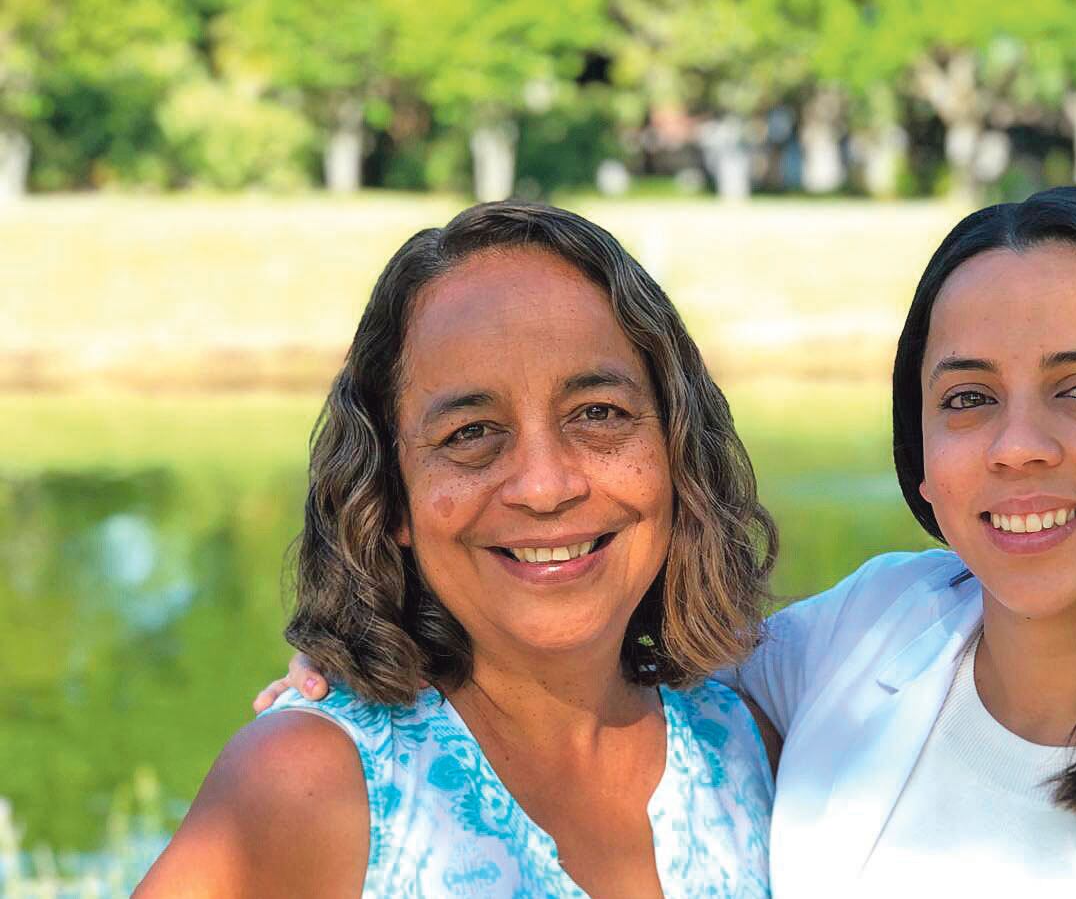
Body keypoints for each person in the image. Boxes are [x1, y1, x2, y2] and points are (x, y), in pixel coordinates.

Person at [260, 188, 1076, 895]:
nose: (1017, 449)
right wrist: (362, 689)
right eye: (966, 397)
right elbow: (598, 646)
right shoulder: (868, 638)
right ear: (920, 458)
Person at [141, 202, 778, 898]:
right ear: (391, 497)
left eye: (598, 414)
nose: (544, 486)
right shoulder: (310, 784)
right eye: (471, 432)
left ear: (676, 451)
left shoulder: (750, 749)